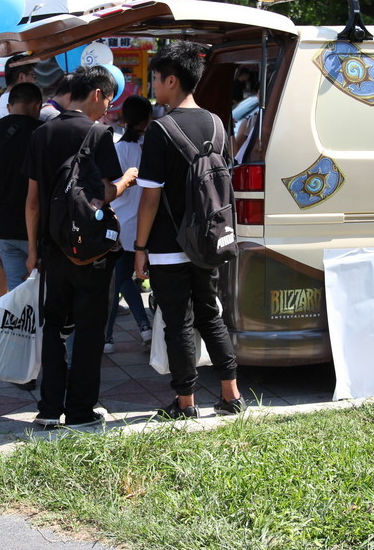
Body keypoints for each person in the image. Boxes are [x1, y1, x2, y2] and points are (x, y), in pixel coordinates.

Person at [133, 41, 245, 420]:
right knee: (209, 313)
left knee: (178, 320)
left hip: (169, 242)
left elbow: (149, 198)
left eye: (156, 80)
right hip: (210, 238)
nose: (154, 88)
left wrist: (139, 246)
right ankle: (231, 394)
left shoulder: (160, 130)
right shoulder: (216, 122)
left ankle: (185, 403)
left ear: (171, 80)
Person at [25, 65, 137, 428]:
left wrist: (33, 249)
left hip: (52, 247)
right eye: (108, 99)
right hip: (89, 251)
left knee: (54, 325)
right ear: (97, 94)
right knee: (89, 327)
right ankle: (80, 411)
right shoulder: (99, 133)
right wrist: (127, 181)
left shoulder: (41, 133)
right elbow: (103, 195)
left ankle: (47, 408)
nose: (107, 108)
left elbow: (32, 201)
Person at [0, 82, 43, 293]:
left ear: (9, 106)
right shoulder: (43, 133)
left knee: (16, 293)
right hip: (40, 229)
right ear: (38, 105)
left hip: (5, 228)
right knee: (43, 293)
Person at [104, 95, 153, 354]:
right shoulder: (152, 147)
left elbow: (112, 189)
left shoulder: (117, 149)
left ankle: (108, 337)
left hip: (121, 226)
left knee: (119, 280)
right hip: (147, 227)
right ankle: (145, 328)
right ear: (148, 119)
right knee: (124, 280)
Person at [0, 56, 37, 121]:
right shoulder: (16, 104)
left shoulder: (5, 100)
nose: (35, 81)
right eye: (33, 76)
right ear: (21, 77)